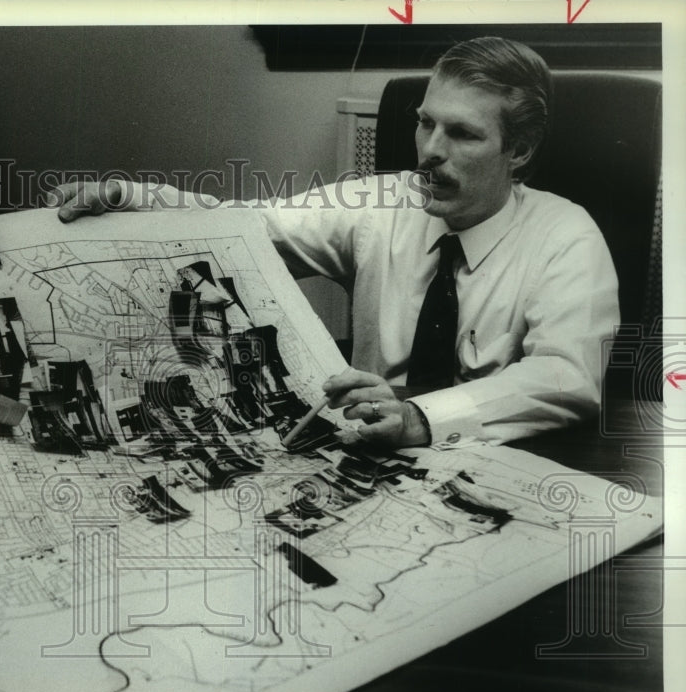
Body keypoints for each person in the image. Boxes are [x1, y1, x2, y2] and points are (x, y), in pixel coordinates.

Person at [47, 37, 619, 448]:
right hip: (368, 460)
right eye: (426, 123)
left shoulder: (566, 236)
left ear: (519, 150)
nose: (429, 152)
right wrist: (129, 197)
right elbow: (241, 228)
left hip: (500, 469)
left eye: (463, 134)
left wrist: (420, 418)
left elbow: (566, 376)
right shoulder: (382, 202)